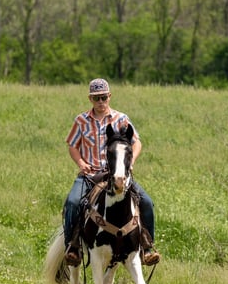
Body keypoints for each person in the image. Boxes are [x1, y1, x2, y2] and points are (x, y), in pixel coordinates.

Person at [62, 78, 161, 266]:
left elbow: (137, 142)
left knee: (146, 202)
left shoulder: (121, 119)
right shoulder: (81, 121)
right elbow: (72, 146)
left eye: (104, 97)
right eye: (97, 98)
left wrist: (130, 162)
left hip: (116, 174)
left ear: (110, 96)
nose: (101, 102)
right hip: (90, 175)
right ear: (90, 99)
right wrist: (81, 163)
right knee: (73, 202)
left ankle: (147, 247)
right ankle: (72, 247)